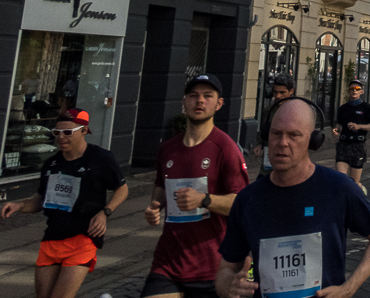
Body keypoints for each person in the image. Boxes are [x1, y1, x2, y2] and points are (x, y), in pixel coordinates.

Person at [215, 97, 370, 297]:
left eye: (294, 135)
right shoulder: (248, 199)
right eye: (276, 134)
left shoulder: (339, 188)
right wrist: (229, 285)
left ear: (313, 140)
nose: (282, 143)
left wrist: (349, 287)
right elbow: (225, 271)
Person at [142, 74, 248, 298]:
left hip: (210, 266)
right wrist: (155, 206)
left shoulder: (226, 148)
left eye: (207, 96)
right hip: (168, 261)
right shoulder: (168, 148)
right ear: (184, 102)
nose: (200, 101)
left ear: (218, 104)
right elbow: (161, 185)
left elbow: (241, 203)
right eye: (193, 96)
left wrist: (203, 200)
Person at [1, 109, 128, 298]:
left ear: (84, 130)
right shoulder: (52, 163)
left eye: (68, 132)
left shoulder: (100, 158)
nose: (61, 137)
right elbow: (40, 200)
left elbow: (122, 189)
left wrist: (105, 213)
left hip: (83, 238)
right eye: (57, 132)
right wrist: (19, 206)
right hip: (52, 238)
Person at [332, 79, 370, 188]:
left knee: (354, 183)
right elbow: (339, 125)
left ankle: (361, 191)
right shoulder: (343, 108)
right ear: (348, 90)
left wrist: (359, 126)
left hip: (358, 146)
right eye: (352, 89)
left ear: (361, 91)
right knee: (341, 178)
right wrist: (336, 130)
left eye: (357, 89)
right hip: (343, 144)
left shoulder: (367, 108)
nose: (354, 91)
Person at [254, 75, 294, 179]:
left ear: (291, 91)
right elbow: (263, 130)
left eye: (282, 93)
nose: (278, 96)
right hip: (268, 163)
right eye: (275, 92)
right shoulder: (268, 111)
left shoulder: (297, 112)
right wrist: (260, 144)